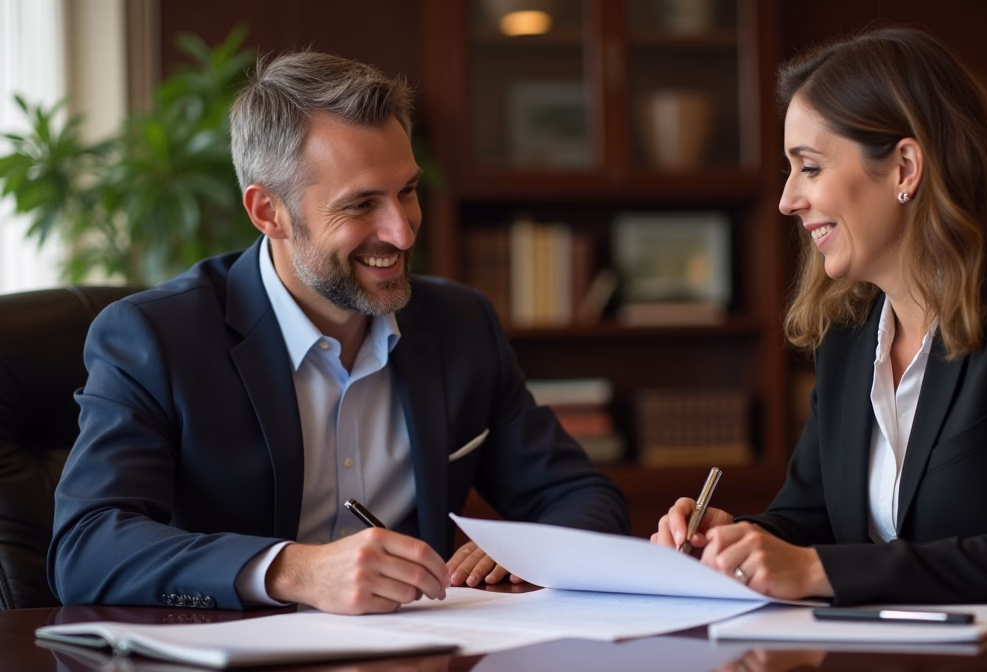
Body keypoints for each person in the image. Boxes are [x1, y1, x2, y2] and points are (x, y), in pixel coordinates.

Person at [49, 51, 628, 614]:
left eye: (407, 190)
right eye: (361, 205)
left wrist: (528, 552)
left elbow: (584, 497)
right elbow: (88, 548)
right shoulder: (154, 337)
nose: (401, 232)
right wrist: (294, 570)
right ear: (268, 212)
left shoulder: (461, 323)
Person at [652, 28, 987, 616]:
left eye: (809, 168)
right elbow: (810, 515)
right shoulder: (847, 335)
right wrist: (730, 540)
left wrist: (815, 569)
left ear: (905, 168)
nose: (789, 199)